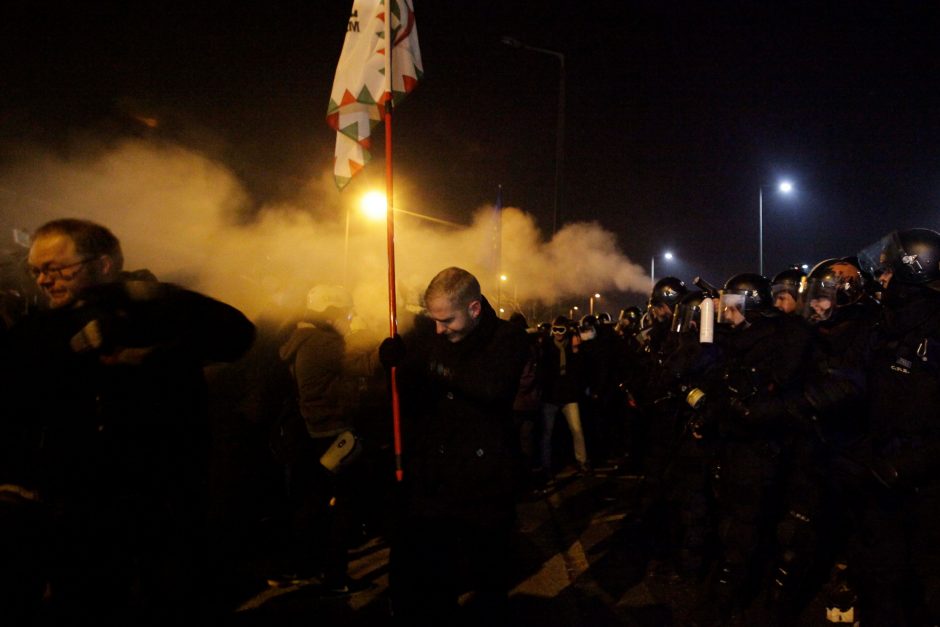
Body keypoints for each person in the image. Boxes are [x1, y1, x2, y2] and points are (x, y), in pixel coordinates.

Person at [1, 218, 256, 626]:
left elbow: (238, 335)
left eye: (57, 268)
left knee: (173, 600)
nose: (45, 280)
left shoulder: (158, 310)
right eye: (37, 270)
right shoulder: (38, 330)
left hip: (164, 501)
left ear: (103, 265)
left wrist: (149, 317)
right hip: (79, 511)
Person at [379, 267, 528, 626]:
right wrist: (391, 366)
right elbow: (411, 401)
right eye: (434, 320)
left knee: (489, 579)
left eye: (447, 320)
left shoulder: (507, 337)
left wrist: (424, 361)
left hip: (485, 483)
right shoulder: (433, 337)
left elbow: (490, 386)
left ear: (474, 308)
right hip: (435, 481)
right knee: (433, 577)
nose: (439, 329)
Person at [268, 284, 378, 594]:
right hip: (333, 432)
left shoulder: (303, 338)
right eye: (344, 312)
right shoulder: (324, 343)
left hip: (312, 431)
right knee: (344, 505)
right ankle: (335, 575)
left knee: (312, 504)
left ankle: (297, 566)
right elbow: (366, 365)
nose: (347, 317)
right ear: (331, 313)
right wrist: (363, 333)